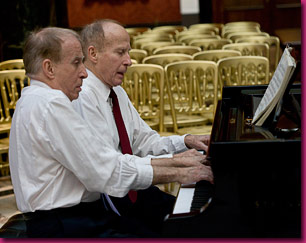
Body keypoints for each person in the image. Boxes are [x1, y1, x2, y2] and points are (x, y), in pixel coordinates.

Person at [9, 26, 213, 238]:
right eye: (76, 63)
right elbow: (104, 170)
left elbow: (126, 152)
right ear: (49, 68)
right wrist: (178, 170)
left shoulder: (34, 99)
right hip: (65, 224)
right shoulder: (51, 103)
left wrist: (181, 156)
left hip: (74, 218)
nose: (84, 72)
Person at [72, 19, 214, 234]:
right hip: (110, 202)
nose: (129, 61)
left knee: (196, 221)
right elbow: (111, 168)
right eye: (120, 52)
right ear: (93, 53)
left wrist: (185, 141)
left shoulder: (115, 91)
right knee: (180, 229)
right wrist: (175, 167)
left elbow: (144, 142)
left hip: (134, 190)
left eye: (128, 52)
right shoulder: (82, 96)